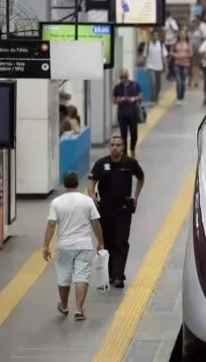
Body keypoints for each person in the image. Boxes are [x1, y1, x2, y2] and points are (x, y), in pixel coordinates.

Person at [42, 171, 104, 321]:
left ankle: (64, 306)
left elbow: (51, 224)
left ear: (64, 184)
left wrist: (45, 245)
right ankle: (78, 309)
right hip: (84, 244)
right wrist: (100, 242)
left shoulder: (57, 202)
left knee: (63, 277)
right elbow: (95, 223)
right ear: (77, 183)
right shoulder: (87, 201)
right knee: (82, 276)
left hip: (64, 245)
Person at [87, 136, 145, 289]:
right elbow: (92, 180)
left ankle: (119, 276)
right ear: (109, 147)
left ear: (123, 147)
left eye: (118, 145)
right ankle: (110, 274)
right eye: (112, 145)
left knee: (121, 241)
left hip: (123, 210)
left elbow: (141, 177)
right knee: (107, 241)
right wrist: (92, 196)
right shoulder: (101, 163)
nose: (115, 148)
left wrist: (135, 196)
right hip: (105, 209)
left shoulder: (130, 163)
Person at [112, 69, 143, 157]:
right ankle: (124, 153)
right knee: (123, 134)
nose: (123, 80)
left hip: (133, 112)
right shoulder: (117, 88)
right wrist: (119, 100)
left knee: (134, 134)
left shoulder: (135, 85)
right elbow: (114, 100)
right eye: (121, 78)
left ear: (128, 77)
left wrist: (134, 99)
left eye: (124, 77)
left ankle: (132, 148)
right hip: (122, 113)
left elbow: (140, 96)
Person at [141, 30, 168, 103]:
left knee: (158, 85)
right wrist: (144, 66)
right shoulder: (148, 45)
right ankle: (153, 100)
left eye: (156, 35)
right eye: (154, 35)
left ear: (158, 37)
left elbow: (164, 57)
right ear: (151, 36)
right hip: (150, 67)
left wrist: (166, 67)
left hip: (159, 67)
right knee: (152, 83)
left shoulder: (161, 45)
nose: (155, 37)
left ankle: (156, 96)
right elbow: (144, 56)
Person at [171, 28, 192, 104]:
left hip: (185, 64)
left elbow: (191, 54)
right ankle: (178, 98)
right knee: (178, 82)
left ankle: (182, 96)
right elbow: (171, 51)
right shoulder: (176, 43)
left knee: (183, 82)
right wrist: (175, 55)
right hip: (177, 64)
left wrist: (184, 55)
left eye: (184, 34)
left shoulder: (188, 44)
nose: (182, 35)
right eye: (181, 34)